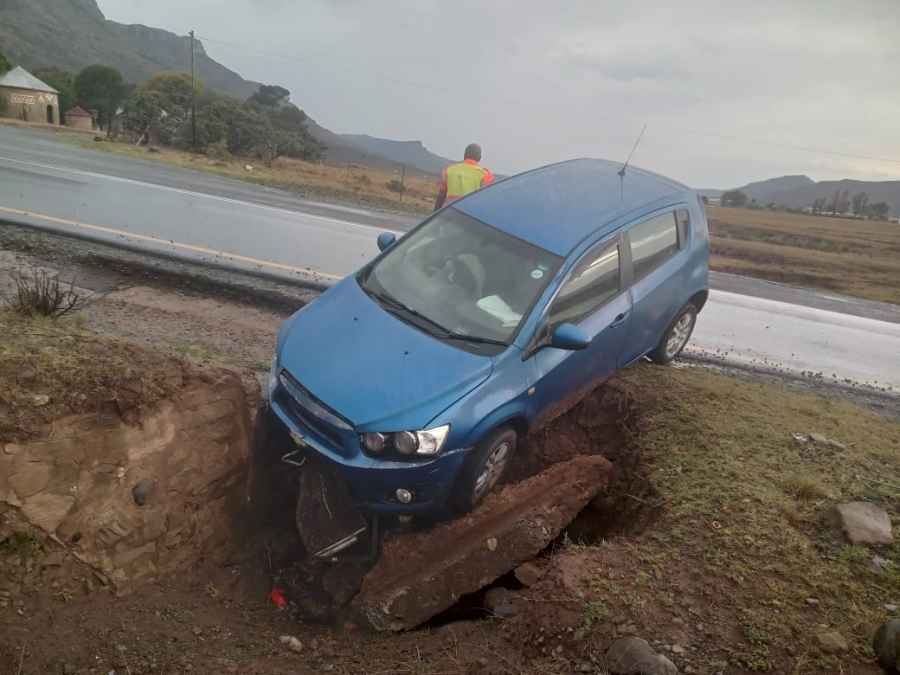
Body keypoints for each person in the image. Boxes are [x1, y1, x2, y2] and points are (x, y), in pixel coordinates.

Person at [434, 143, 495, 210]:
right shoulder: (486, 175)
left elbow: (441, 195)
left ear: (464, 155)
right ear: (479, 158)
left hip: (448, 213)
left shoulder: (449, 170)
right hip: (468, 215)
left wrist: (434, 214)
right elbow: (485, 201)